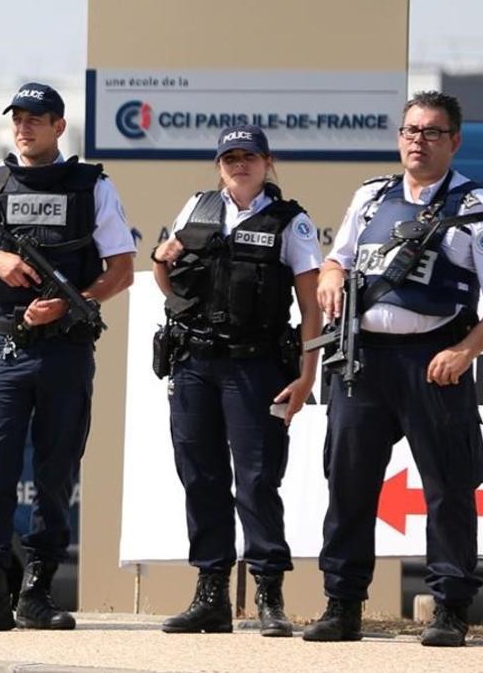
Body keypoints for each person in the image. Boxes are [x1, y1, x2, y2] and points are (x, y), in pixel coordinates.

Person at [303, 91, 483, 647]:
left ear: (454, 141)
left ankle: (451, 609)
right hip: (365, 363)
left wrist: (466, 351)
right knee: (349, 484)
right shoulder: (371, 196)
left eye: (432, 132)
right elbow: (341, 257)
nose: (418, 141)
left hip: (434, 363)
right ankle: (342, 606)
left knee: (449, 487)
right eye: (411, 131)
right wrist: (332, 271)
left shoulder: (475, 206)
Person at [0, 82, 135, 633]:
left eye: (36, 118)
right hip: (4, 348)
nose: (24, 127)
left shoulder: (91, 185)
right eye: (18, 118)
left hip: (65, 349)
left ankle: (37, 594)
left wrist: (76, 305)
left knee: (54, 474)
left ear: (58, 126)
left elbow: (120, 266)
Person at [150, 125, 322, 637]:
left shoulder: (291, 221)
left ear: (267, 162)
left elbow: (311, 306)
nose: (238, 164)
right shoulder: (197, 208)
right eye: (230, 157)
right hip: (195, 364)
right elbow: (165, 271)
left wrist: (307, 377)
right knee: (199, 477)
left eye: (248, 156)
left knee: (256, 479)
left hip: (257, 366)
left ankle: (269, 594)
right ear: (218, 164)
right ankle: (211, 594)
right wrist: (165, 271)